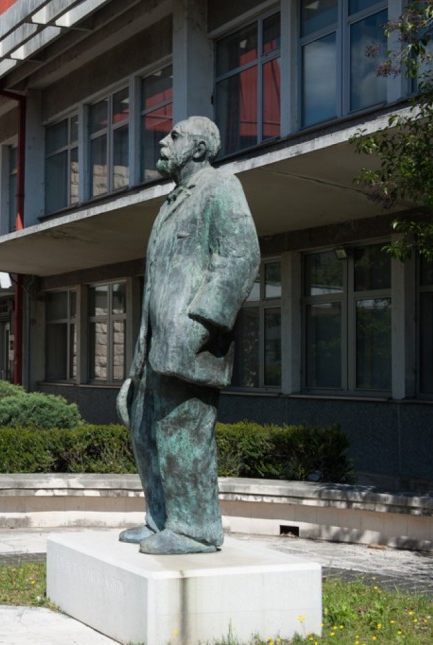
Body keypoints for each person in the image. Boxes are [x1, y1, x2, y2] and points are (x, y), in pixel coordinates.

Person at [117, 116, 259, 555]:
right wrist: (138, 359)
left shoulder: (221, 187)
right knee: (144, 429)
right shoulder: (171, 202)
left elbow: (240, 257)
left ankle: (196, 528)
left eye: (174, 136)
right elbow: (158, 285)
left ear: (199, 149)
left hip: (190, 341)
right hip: (155, 347)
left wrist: (197, 326)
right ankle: (161, 518)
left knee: (184, 430)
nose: (163, 141)